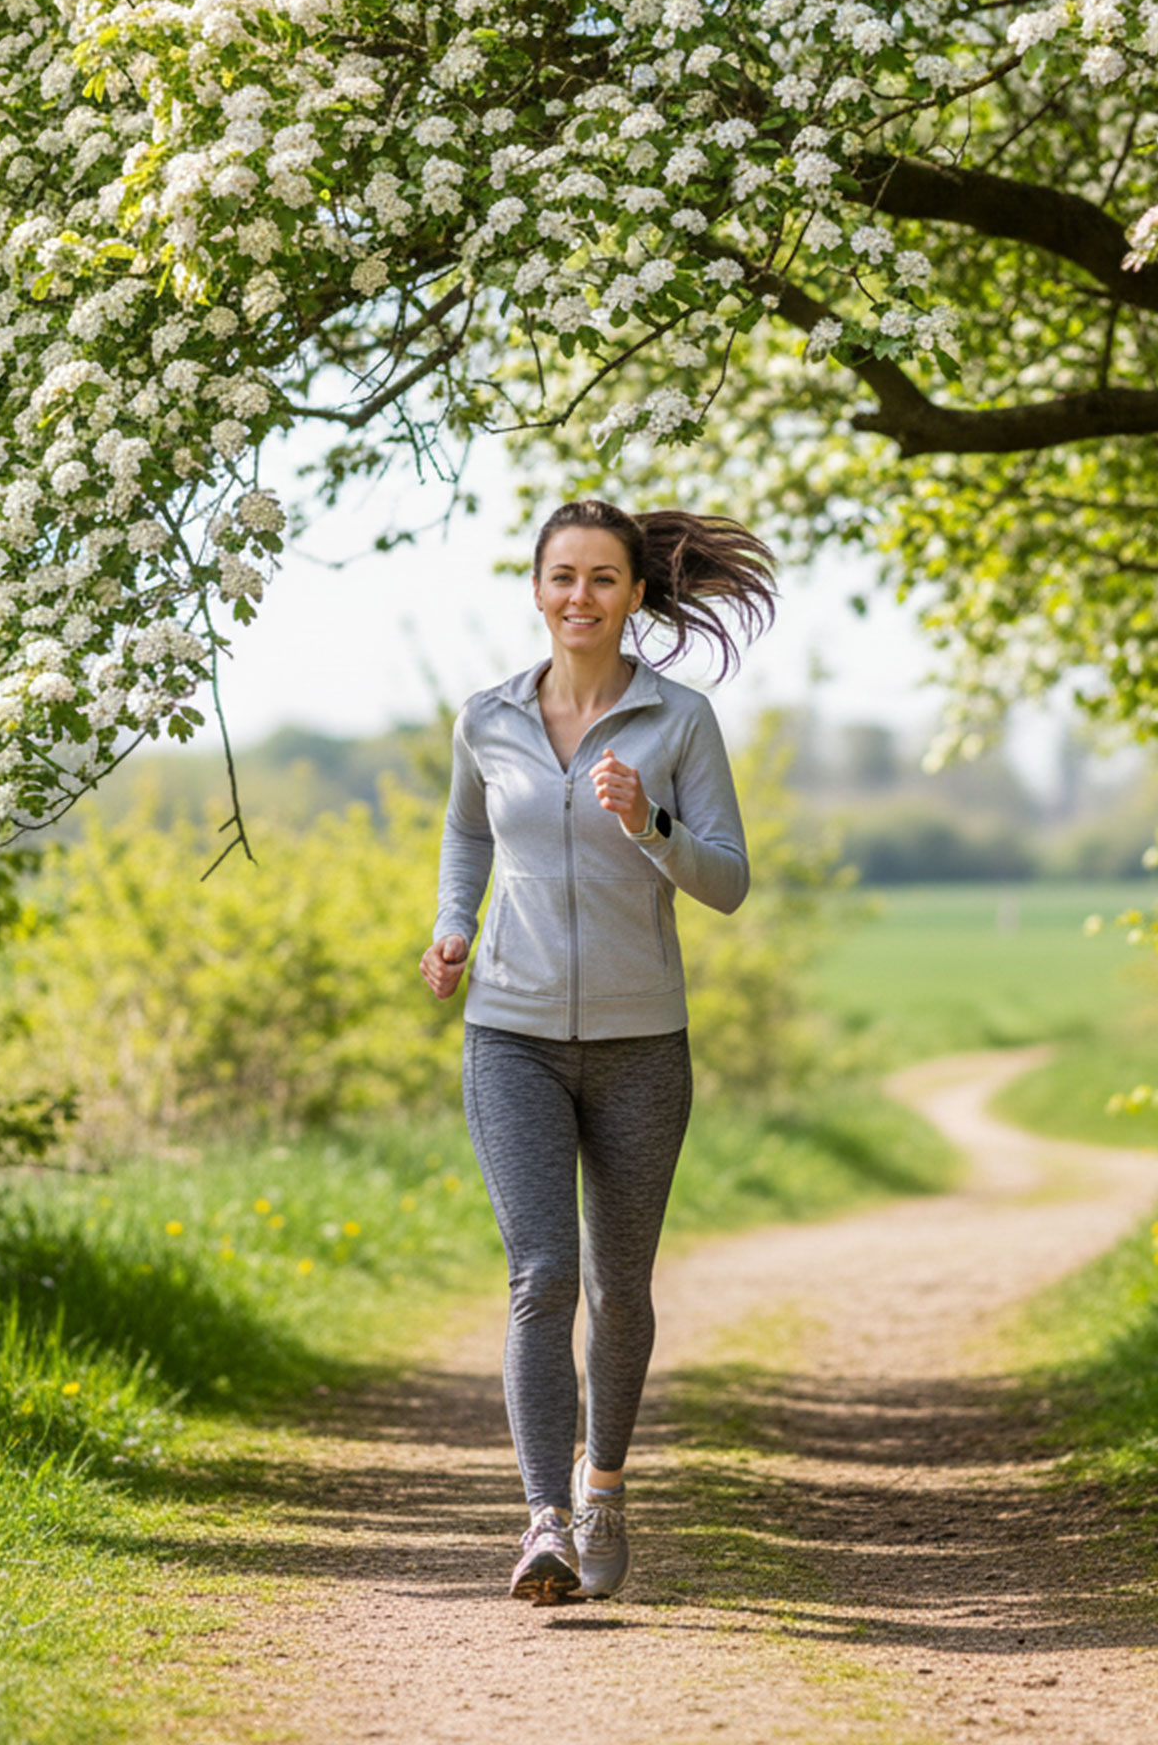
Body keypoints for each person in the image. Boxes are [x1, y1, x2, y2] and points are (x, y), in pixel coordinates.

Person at [420, 497, 777, 1604]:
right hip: (510, 1034)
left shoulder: (677, 721)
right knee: (542, 1276)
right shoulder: (485, 716)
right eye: (561, 576)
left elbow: (726, 880)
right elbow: (468, 834)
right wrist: (452, 925)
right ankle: (541, 1524)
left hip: (639, 1043)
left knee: (619, 1288)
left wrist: (649, 827)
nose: (580, 596)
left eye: (603, 579)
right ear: (535, 589)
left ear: (633, 596)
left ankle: (603, 1486)